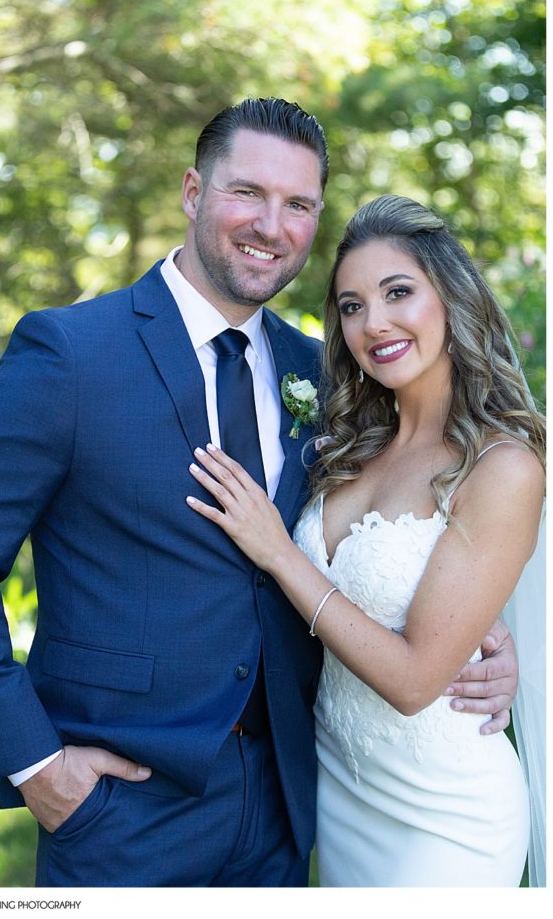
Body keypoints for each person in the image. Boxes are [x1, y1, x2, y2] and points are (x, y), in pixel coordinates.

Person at [0, 104, 519, 888]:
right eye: (246, 193)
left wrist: (480, 626)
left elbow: (415, 514)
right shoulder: (70, 355)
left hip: (290, 807)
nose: (271, 224)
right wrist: (34, 764)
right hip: (118, 812)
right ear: (193, 192)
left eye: (297, 205)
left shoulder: (329, 376)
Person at [187, 193, 545, 887]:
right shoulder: (347, 445)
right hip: (340, 791)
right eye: (350, 306)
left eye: (397, 293)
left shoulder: (501, 466)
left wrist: (280, 553)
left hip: (444, 813)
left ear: (451, 297)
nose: (371, 323)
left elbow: (415, 682)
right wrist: (481, 626)